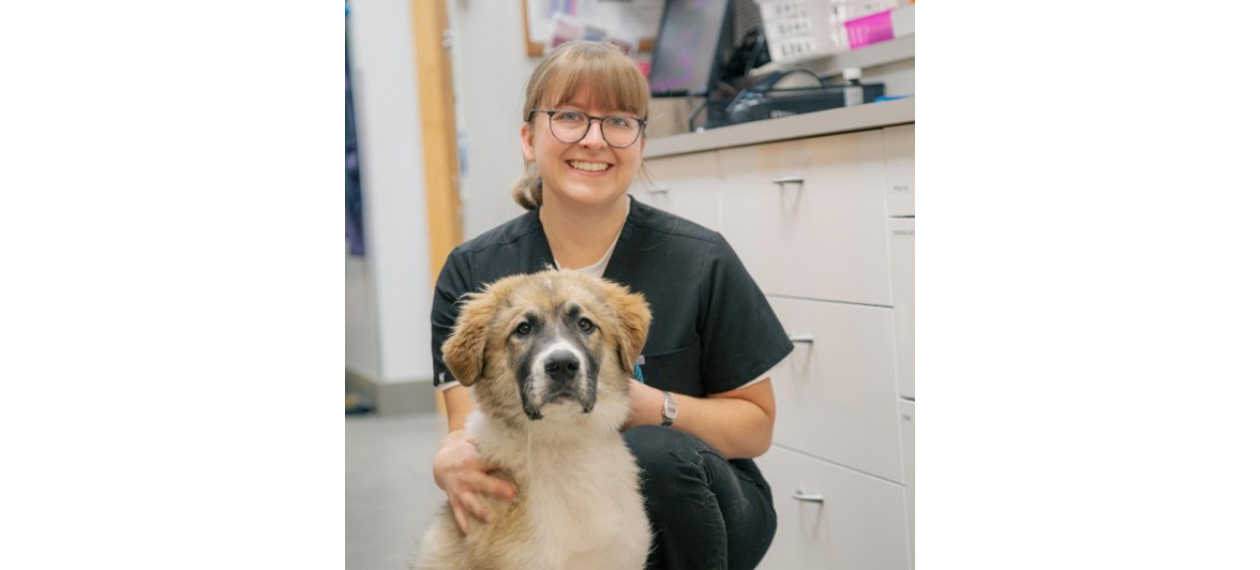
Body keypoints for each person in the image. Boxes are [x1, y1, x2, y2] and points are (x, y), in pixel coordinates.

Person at [429, 40, 794, 570]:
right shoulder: (474, 271)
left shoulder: (700, 258)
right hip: (545, 500)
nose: (595, 140)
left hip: (702, 499)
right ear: (529, 139)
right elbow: (472, 429)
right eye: (571, 117)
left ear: (641, 144)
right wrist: (450, 458)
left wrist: (655, 409)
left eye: (620, 122)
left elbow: (756, 428)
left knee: (653, 453)